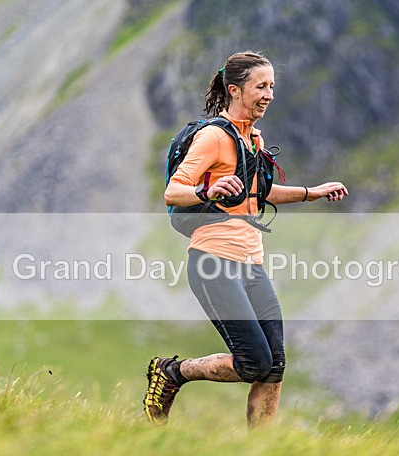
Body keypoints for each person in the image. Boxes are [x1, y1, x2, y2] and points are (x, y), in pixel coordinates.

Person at [143, 50, 348, 427]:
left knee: (275, 365)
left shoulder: (253, 138)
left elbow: (260, 194)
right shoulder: (212, 138)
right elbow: (174, 192)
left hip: (252, 262)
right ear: (235, 90)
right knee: (255, 361)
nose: (268, 94)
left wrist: (311, 192)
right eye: (261, 86)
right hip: (213, 262)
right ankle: (173, 372)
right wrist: (209, 192)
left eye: (272, 86)